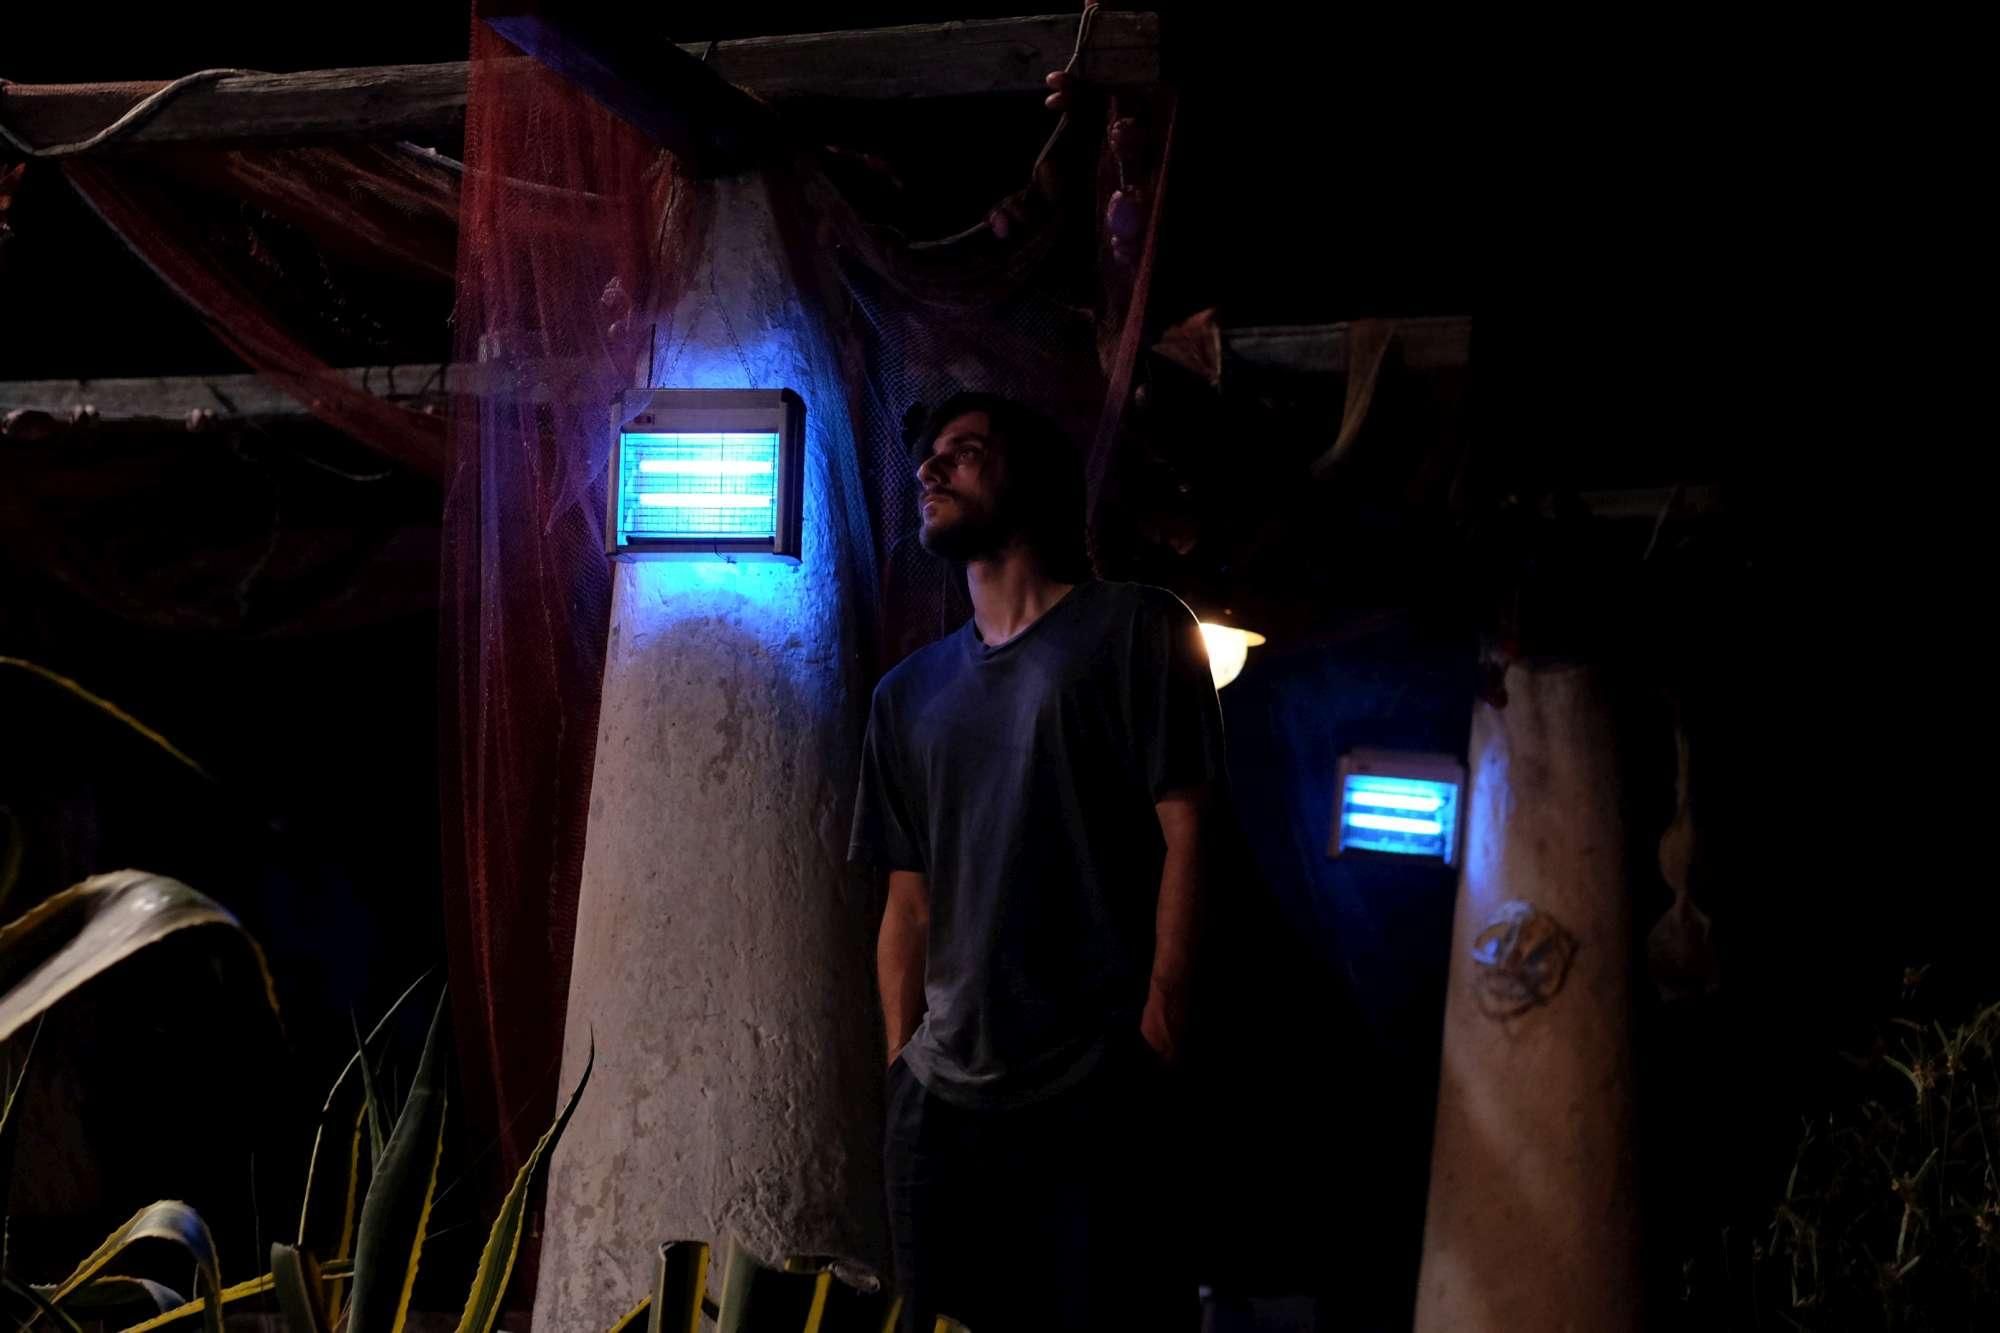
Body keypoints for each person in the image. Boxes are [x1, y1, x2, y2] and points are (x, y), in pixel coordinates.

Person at [850, 392, 1224, 1332]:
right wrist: (901, 1063)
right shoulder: (906, 695)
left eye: (966, 451)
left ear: (1031, 479)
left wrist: (1162, 1022)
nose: (931, 469)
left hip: (1094, 1085)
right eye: (929, 456)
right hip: (941, 1107)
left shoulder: (1136, 630)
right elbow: (908, 900)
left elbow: (1192, 830)